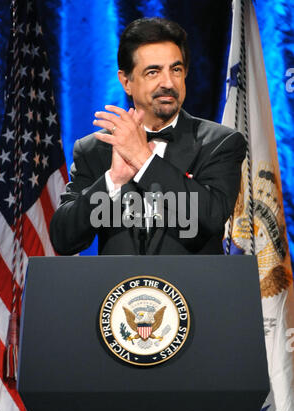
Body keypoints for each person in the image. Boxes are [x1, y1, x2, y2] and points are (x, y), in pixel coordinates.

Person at [49, 17, 246, 256]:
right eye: (153, 72)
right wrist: (112, 180)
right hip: (117, 291)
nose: (168, 82)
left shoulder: (219, 143)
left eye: (176, 69)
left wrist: (144, 159)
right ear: (126, 81)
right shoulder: (94, 149)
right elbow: (63, 239)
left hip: (193, 291)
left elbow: (210, 219)